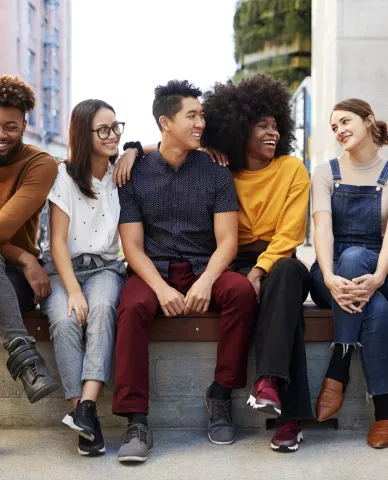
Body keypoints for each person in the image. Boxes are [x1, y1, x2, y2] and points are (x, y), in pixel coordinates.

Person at [112, 80, 257, 463]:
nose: (200, 123)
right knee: (130, 308)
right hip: (152, 271)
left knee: (242, 292)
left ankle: (221, 396)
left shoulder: (215, 171)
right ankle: (136, 421)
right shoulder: (134, 174)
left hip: (201, 267)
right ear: (165, 122)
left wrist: (208, 281)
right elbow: (132, 247)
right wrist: (160, 289)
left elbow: (228, 241)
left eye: (202, 115)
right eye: (191, 116)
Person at [200, 74, 312, 453]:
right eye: (261, 125)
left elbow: (291, 233)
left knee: (286, 277)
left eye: (276, 126)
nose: (273, 132)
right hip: (232, 258)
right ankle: (288, 419)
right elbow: (170, 147)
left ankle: (266, 381)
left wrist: (260, 270)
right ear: (237, 128)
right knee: (287, 312)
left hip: (279, 258)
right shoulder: (220, 169)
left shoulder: (292, 170)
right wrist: (132, 149)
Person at [309, 99, 388, 448]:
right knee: (377, 309)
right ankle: (385, 410)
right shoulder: (325, 172)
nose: (339, 130)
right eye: (334, 126)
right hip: (330, 274)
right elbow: (322, 230)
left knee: (357, 258)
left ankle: (338, 368)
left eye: (345, 121)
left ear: (369, 121)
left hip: (382, 271)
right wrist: (327, 275)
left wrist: (379, 276)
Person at [41, 99, 127, 456]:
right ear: (83, 134)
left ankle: (86, 408)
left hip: (106, 267)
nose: (113, 135)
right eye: (104, 130)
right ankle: (83, 416)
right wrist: (74, 291)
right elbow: (58, 243)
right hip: (64, 269)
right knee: (64, 319)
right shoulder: (63, 176)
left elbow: (162, 146)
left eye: (116, 127)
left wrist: (134, 150)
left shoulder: (121, 173)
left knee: (103, 308)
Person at [0, 74, 58, 404]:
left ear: (24, 123)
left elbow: (3, 229)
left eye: (10, 125)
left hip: (15, 281)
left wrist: (21, 260)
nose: (1, 135)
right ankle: (25, 358)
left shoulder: (40, 164)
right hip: (21, 264)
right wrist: (23, 256)